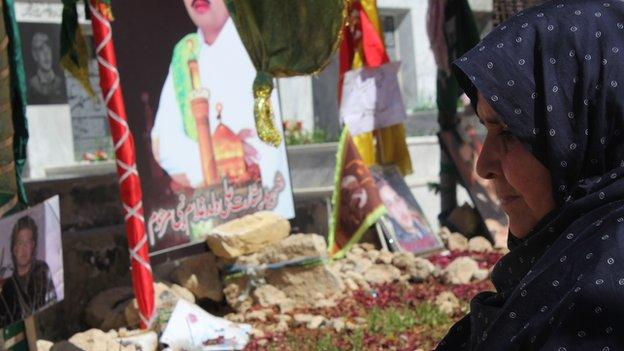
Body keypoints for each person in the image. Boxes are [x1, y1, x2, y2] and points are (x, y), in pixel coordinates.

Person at [437, 1, 624, 349]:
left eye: (508, 131)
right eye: (486, 129)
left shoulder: (600, 296)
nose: (483, 166)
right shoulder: (559, 264)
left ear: (581, 129)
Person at [151, 0, 281, 188]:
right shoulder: (185, 55)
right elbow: (164, 143)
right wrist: (221, 155)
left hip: (267, 201)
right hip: (209, 203)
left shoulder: (262, 43)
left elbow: (270, 143)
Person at [0, 216, 56, 326]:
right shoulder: (8, 287)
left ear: (33, 245)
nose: (24, 249)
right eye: (20, 243)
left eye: (28, 243)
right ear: (14, 248)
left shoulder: (42, 270)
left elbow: (49, 306)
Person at [28, 32, 65, 103]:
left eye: (48, 49)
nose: (46, 54)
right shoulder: (32, 84)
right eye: (41, 50)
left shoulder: (60, 82)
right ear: (35, 55)